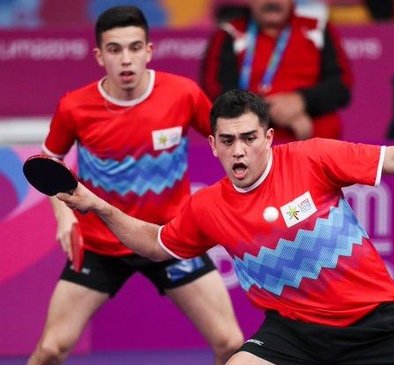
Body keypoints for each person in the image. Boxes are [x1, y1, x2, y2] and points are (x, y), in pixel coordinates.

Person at [57, 89, 394, 365]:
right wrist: (95, 204)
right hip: (293, 335)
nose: (239, 151)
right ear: (214, 145)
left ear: (268, 138)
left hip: (375, 328)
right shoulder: (208, 206)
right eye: (228, 141)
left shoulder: (312, 158)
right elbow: (157, 245)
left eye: (249, 138)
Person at [27, 6, 243, 365]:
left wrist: (230, 196)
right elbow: (48, 162)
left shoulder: (183, 93)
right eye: (115, 49)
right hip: (101, 244)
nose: (126, 59)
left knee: (231, 343)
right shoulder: (75, 107)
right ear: (99, 55)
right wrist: (65, 218)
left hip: (168, 238)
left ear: (149, 51)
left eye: (134, 47)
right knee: (51, 350)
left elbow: (223, 140)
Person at [201, 0, 353, 142]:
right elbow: (216, 92)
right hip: (251, 143)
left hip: (312, 140)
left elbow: (341, 86)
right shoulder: (230, 33)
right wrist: (267, 110)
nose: (272, 2)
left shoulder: (318, 29)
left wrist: (302, 101)